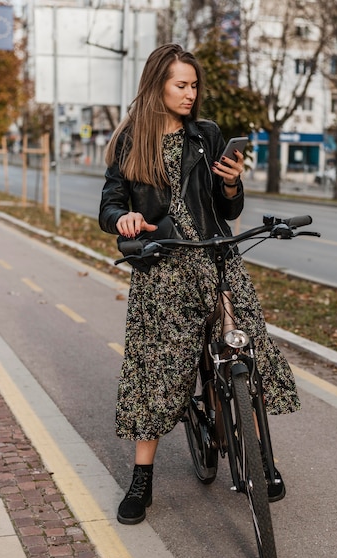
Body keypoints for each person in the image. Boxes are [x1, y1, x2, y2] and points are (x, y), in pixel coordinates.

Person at [99, 43, 300, 525]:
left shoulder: (206, 135)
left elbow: (227, 210)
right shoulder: (130, 142)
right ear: (157, 86)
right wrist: (124, 218)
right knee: (155, 368)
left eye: (194, 86)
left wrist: (232, 184)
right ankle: (141, 480)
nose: (191, 94)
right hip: (164, 264)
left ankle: (260, 458)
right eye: (180, 85)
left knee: (245, 346)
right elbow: (109, 206)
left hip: (216, 257)